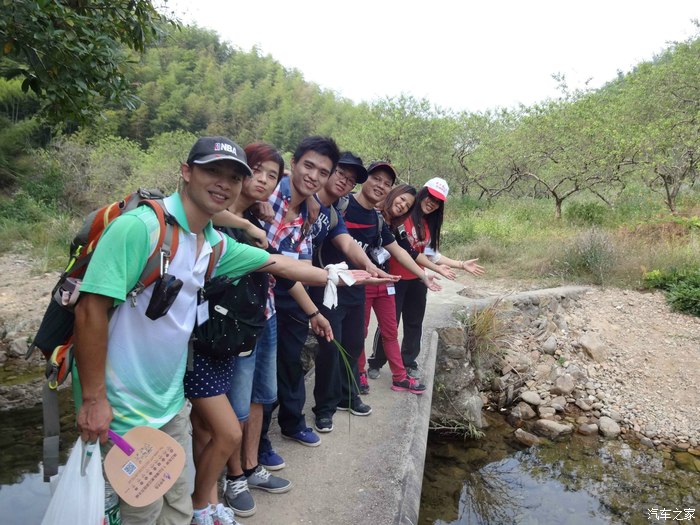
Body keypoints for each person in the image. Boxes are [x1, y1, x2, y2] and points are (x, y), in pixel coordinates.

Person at [73, 136, 377, 525]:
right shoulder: (140, 228)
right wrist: (95, 400)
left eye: (233, 176)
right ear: (186, 172)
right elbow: (90, 311)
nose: (223, 182)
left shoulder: (214, 245)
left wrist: (340, 276)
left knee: (177, 508)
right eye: (211, 171)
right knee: (139, 513)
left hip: (168, 405)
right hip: (120, 412)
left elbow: (279, 265)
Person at [215, 143, 331, 517]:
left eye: (322, 172)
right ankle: (233, 477)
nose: (313, 176)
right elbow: (278, 264)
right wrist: (336, 278)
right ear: (293, 166)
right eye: (308, 166)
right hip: (234, 322)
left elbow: (289, 271)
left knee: (262, 397)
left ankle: (251, 467)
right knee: (236, 402)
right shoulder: (246, 206)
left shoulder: (295, 216)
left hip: (265, 314)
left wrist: (314, 310)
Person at [309, 161, 443, 433]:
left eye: (386, 182)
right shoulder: (342, 205)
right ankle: (324, 408)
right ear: (365, 179)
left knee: (355, 343)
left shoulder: (377, 219)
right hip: (330, 289)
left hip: (357, 291)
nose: (381, 186)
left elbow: (399, 251)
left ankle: (348, 396)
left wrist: (422, 275)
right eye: (376, 179)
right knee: (330, 350)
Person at [368, 177, 485, 382]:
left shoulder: (428, 224)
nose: (432, 202)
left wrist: (460, 264)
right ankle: (377, 361)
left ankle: (409, 362)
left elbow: (432, 255)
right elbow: (409, 252)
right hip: (394, 278)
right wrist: (435, 270)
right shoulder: (403, 215)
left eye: (437, 201)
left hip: (417, 280)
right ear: (422, 193)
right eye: (430, 196)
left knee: (414, 322)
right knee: (389, 324)